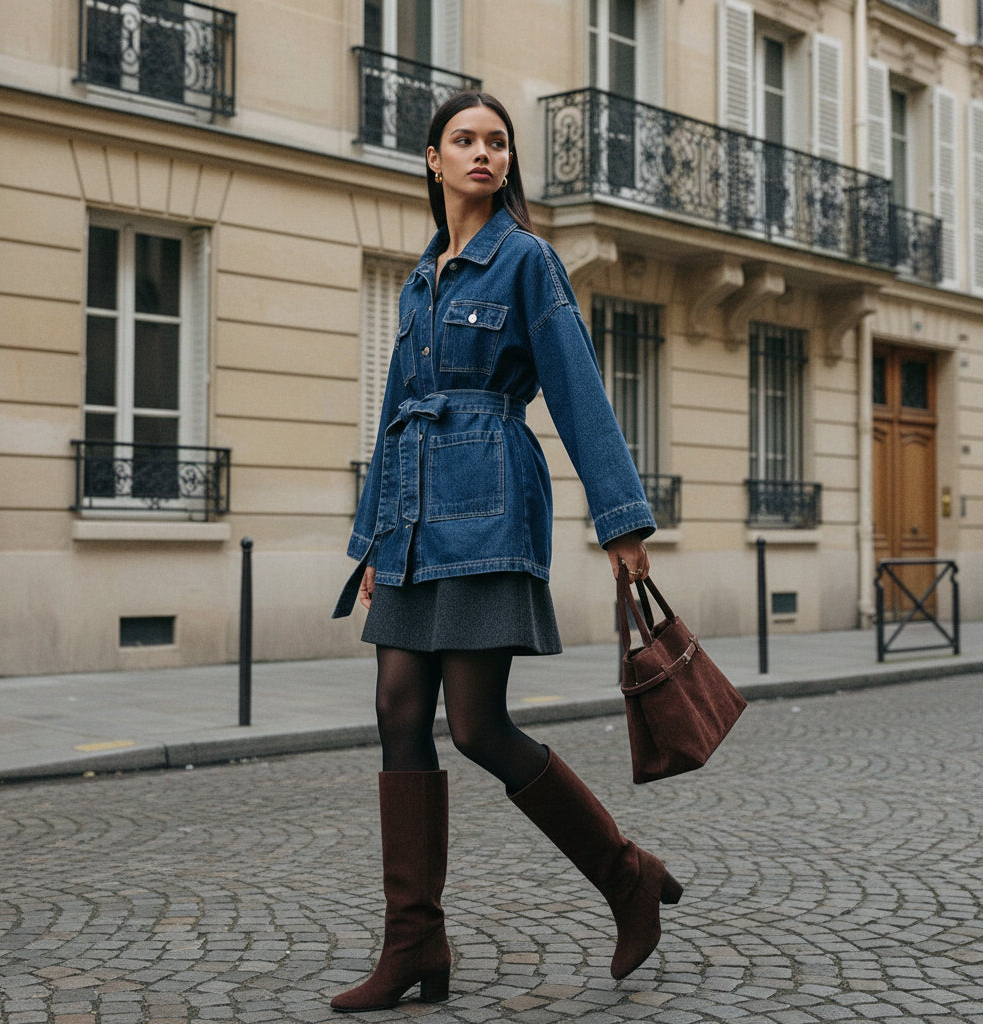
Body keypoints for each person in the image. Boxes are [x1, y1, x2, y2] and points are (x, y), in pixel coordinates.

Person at [329, 91, 681, 1013]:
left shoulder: (526, 261)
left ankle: (624, 874)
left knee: (478, 725)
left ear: (506, 162)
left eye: (496, 142)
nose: (483, 153)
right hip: (410, 519)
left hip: (487, 505)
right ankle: (415, 942)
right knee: (397, 707)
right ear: (433, 161)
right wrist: (370, 542)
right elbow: (394, 414)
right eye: (464, 140)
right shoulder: (418, 277)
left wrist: (623, 522)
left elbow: (576, 390)